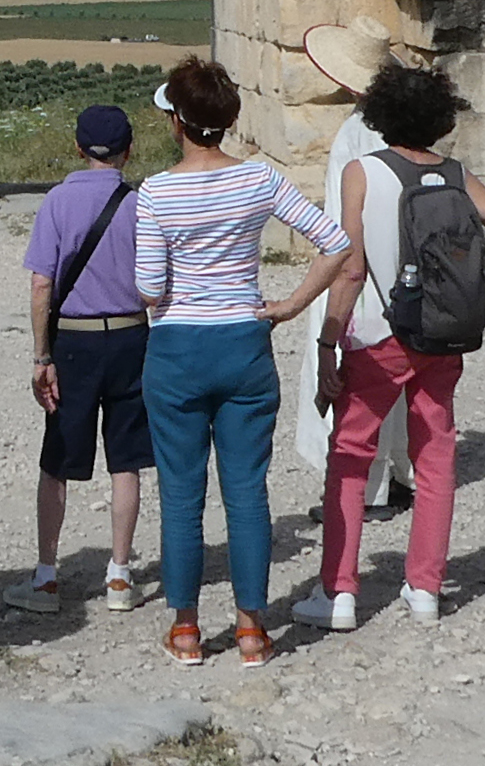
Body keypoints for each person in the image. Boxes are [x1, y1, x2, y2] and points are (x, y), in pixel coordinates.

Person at [293, 59, 485, 632]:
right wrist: (475, 282)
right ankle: (426, 587)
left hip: (380, 338)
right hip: (442, 337)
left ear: (381, 114)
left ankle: (338, 591)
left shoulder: (363, 172)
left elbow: (351, 270)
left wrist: (329, 341)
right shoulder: (457, 175)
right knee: (436, 458)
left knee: (351, 458)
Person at [130, 57, 354, 669]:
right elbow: (334, 242)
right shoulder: (259, 180)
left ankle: (185, 629)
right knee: (247, 492)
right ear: (227, 121)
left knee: (180, 494)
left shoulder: (157, 191)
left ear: (176, 121)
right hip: (244, 341)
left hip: (177, 348)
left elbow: (149, 287)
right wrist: (287, 306)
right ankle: (253, 629)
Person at [6, 101, 151, 615]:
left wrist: (41, 353)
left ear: (77, 146)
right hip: (132, 335)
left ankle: (47, 577)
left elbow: (42, 283)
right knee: (127, 461)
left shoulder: (57, 203)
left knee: (58, 459)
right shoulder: (140, 202)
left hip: (74, 338)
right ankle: (119, 575)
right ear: (128, 150)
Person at [292, 20, 403, 514]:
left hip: (357, 263)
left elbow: (344, 217)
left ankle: (363, 487)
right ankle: (402, 469)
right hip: (398, 259)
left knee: (347, 369)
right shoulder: (399, 126)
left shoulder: (356, 133)